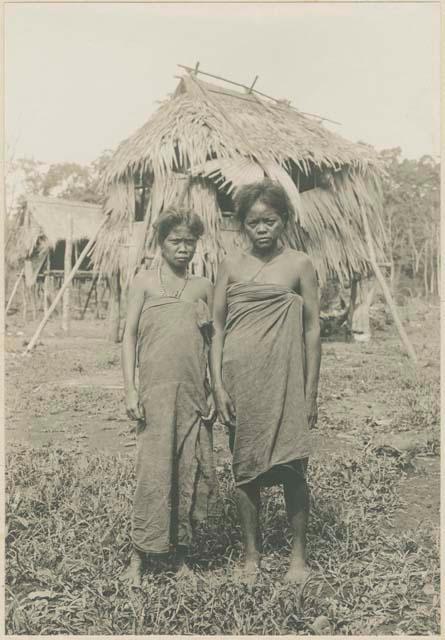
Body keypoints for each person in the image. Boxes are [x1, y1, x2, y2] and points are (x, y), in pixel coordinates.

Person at [210, 179, 321, 586]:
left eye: (270, 221)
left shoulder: (300, 265)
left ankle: (298, 557)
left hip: (287, 381)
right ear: (242, 224)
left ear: (284, 221)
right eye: (253, 222)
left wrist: (310, 392)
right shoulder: (230, 266)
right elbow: (218, 330)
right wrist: (219, 386)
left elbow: (312, 330)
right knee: (246, 471)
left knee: (293, 467)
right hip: (240, 381)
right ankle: (251, 555)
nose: (262, 229)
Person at [121, 207, 217, 587]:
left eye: (189, 241)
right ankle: (139, 555)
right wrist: (130, 388)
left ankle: (180, 558)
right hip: (155, 392)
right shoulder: (143, 283)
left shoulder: (202, 287)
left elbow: (211, 344)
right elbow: (128, 337)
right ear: (160, 243)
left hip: (193, 392)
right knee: (152, 471)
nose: (183, 248)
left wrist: (214, 388)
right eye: (175, 241)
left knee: (188, 469)